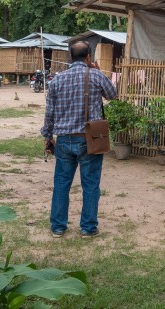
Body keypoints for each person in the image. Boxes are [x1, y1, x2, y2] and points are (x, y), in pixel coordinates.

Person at [40, 41, 117, 238]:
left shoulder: (56, 80)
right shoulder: (96, 76)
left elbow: (49, 113)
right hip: (89, 139)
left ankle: (58, 226)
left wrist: (48, 137)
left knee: (61, 183)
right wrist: (98, 70)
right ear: (89, 56)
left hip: (64, 139)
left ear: (70, 57)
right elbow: (113, 95)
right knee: (90, 185)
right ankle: (88, 228)